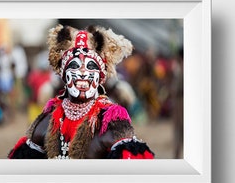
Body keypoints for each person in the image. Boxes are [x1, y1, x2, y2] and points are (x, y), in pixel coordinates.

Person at [8, 24, 154, 159]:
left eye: (90, 66)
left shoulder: (112, 124)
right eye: (75, 66)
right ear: (63, 75)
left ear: (100, 77)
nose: (83, 72)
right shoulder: (46, 122)